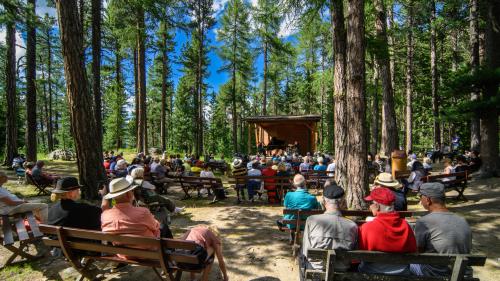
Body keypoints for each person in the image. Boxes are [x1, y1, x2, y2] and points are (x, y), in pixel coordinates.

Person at [410, 182, 472, 277]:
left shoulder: (423, 222)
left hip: (436, 274)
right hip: (463, 274)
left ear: (428, 200)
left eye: (421, 197)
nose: (420, 200)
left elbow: (418, 253)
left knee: (405, 265)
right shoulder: (462, 220)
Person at [101, 177, 171, 259]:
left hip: (123, 254)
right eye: (131, 191)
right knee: (164, 227)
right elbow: (156, 227)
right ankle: (171, 257)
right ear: (129, 194)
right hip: (148, 252)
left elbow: (104, 207)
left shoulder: (105, 215)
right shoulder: (142, 212)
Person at [358, 187, 417, 275]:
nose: (369, 206)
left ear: (377, 206)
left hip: (372, 272)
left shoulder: (366, 228)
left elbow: (360, 255)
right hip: (402, 272)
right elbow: (413, 250)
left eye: (370, 203)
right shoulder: (406, 226)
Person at [301, 181, 357, 271]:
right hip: (341, 271)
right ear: (343, 202)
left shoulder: (311, 220)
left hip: (316, 270)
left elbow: (305, 251)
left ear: (323, 201)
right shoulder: (352, 226)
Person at [277, 174, 319, 243]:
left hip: (291, 223)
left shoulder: (289, 195)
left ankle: (292, 233)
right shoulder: (312, 198)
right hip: (306, 224)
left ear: (294, 184)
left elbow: (286, 206)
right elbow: (315, 210)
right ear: (305, 183)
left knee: (290, 217)